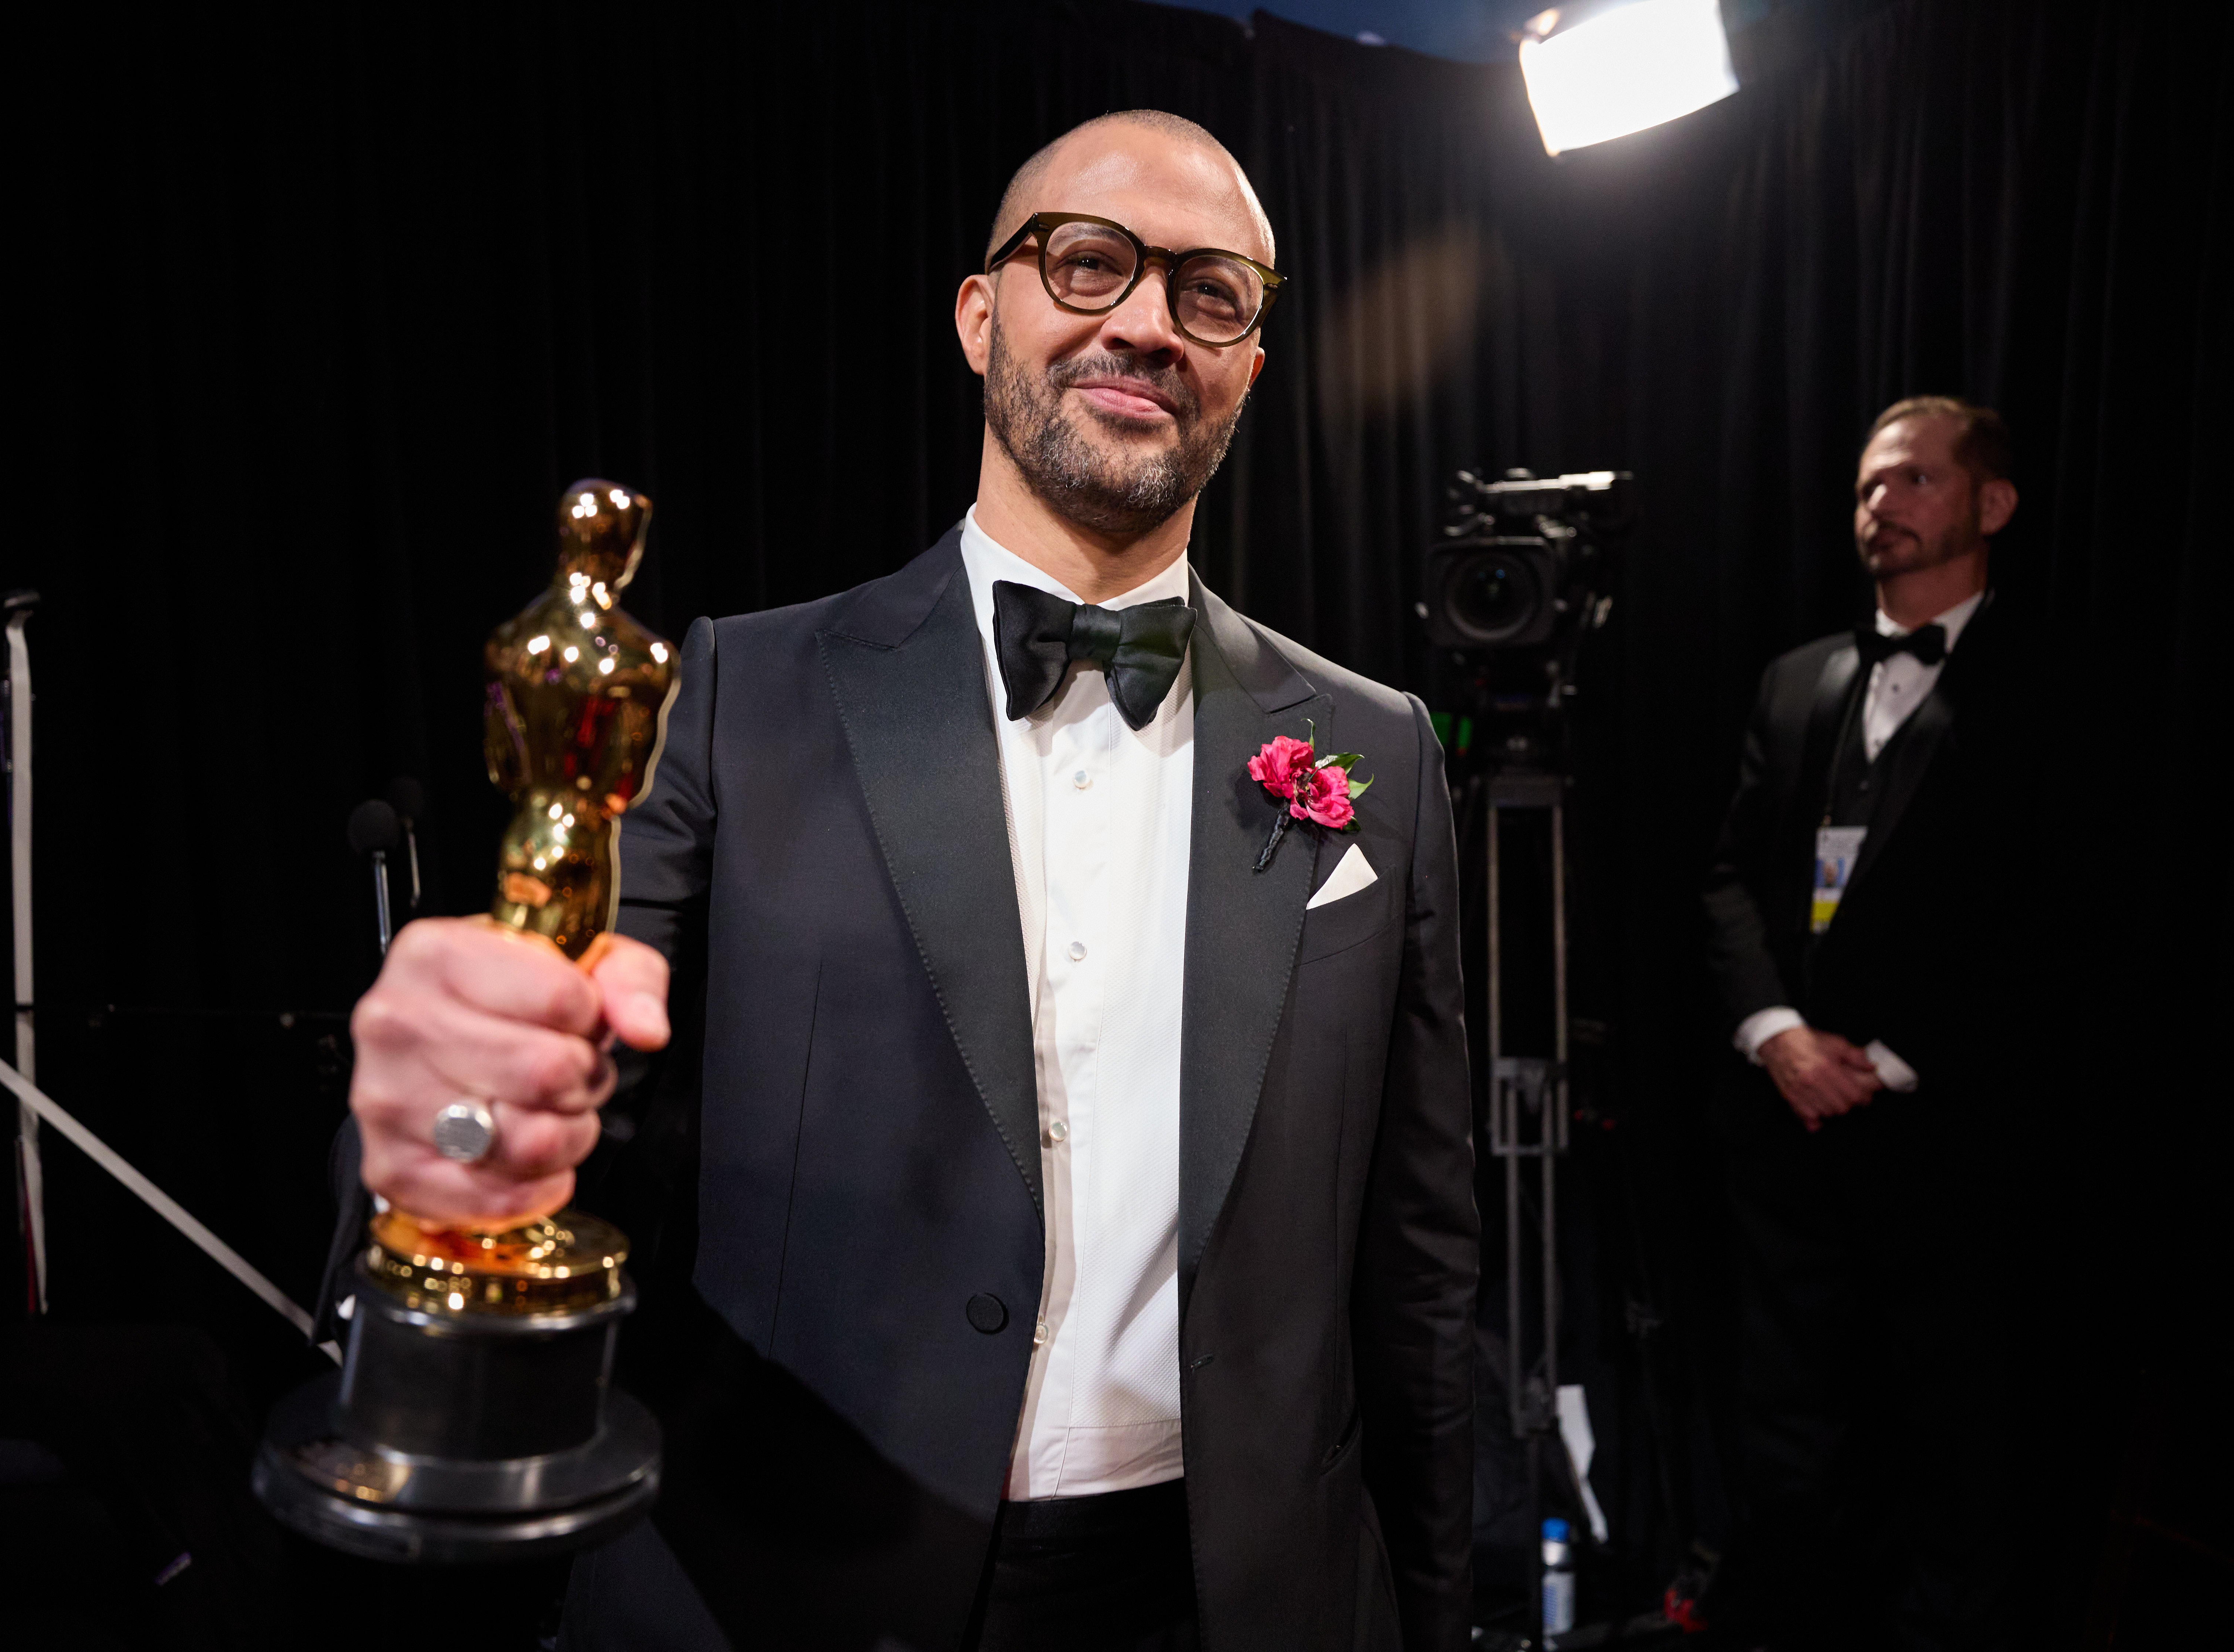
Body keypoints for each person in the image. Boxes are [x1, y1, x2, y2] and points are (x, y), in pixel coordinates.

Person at [339, 112, 1478, 1651]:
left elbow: (1415, 1269)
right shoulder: (736, 693)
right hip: (787, 1579)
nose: (1145, 320)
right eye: (1087, 263)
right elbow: (556, 1083)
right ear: (980, 314)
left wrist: (1431, 1610)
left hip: (1248, 1599)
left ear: (1253, 360)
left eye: (1210, 293)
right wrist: (450, 1132)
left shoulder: (1380, 749)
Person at [1701, 396, 2029, 1648]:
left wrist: (1895, 1056)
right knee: (1791, 1448)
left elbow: (2065, 908)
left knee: (1955, 1451)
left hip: (1955, 1144)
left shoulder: (2052, 682)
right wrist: (1776, 1030)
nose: (1879, 506)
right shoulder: (1798, 680)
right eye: (1865, 489)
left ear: (1990, 505)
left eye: (1912, 482)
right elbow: (1730, 877)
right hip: (1787, 1140)